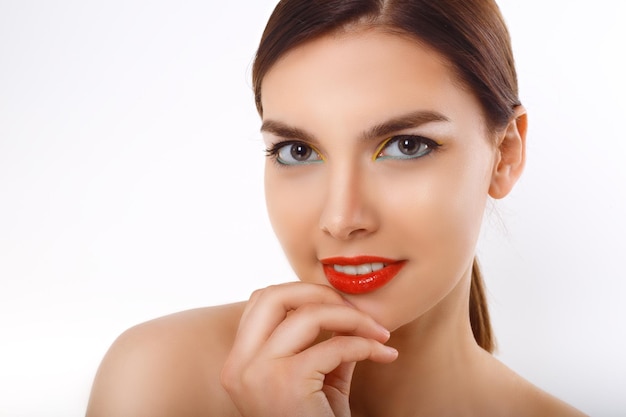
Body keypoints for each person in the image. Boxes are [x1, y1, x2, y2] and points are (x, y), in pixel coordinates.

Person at [86, 0, 587, 415]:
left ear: (505, 155)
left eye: (406, 146)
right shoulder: (160, 381)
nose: (342, 219)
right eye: (298, 152)